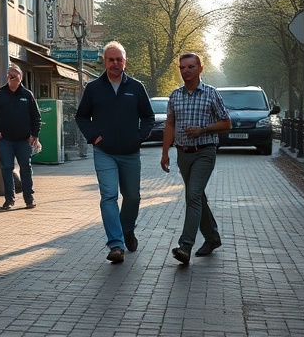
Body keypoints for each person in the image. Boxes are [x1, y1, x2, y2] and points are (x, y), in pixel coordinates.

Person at [75, 41, 155, 264]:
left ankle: (126, 229)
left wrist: (139, 137)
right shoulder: (93, 88)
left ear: (125, 62)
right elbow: (81, 116)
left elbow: (148, 117)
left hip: (130, 152)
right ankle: (116, 244)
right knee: (109, 196)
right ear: (104, 61)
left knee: (132, 197)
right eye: (111, 59)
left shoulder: (136, 88)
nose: (115, 63)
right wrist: (94, 137)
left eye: (119, 60)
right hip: (105, 152)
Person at [160, 51, 230, 265]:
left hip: (205, 152)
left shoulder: (211, 93)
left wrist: (203, 130)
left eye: (191, 67)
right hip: (183, 154)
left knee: (192, 195)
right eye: (182, 67)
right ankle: (212, 238)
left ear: (200, 69)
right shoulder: (175, 95)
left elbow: (226, 123)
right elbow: (170, 124)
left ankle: (185, 246)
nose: (186, 71)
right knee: (197, 197)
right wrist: (165, 153)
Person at [0, 66, 41, 209]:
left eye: (14, 76)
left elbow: (36, 117)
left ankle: (29, 198)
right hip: (5, 140)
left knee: (26, 168)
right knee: (6, 168)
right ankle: (9, 199)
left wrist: (34, 135)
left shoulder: (27, 95)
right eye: (9, 75)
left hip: (23, 140)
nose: (11, 77)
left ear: (20, 78)